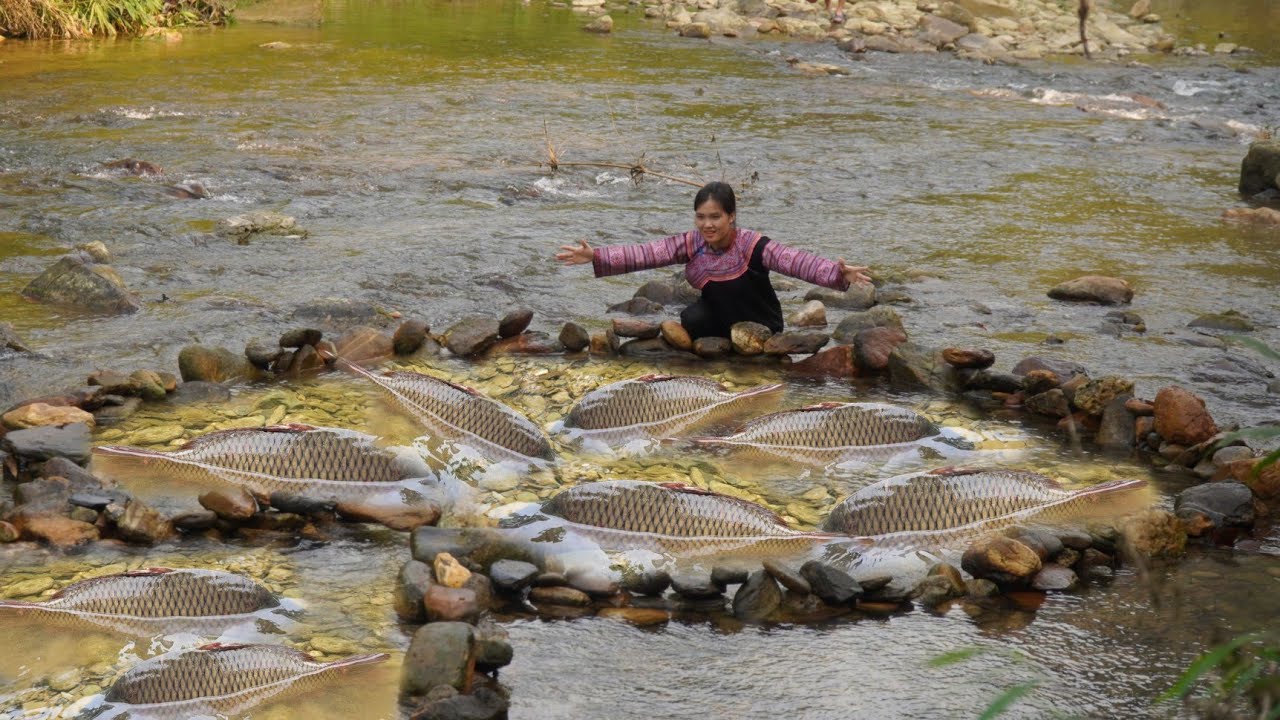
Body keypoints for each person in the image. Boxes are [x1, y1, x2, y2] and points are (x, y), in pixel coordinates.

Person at [556, 181, 871, 341]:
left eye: (715, 217)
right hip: (719, 321)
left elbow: (798, 262)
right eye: (701, 217)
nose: (707, 224)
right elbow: (648, 253)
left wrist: (837, 275)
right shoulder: (691, 243)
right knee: (691, 319)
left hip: (761, 322)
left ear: (731, 216)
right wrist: (595, 255)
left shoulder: (754, 244)